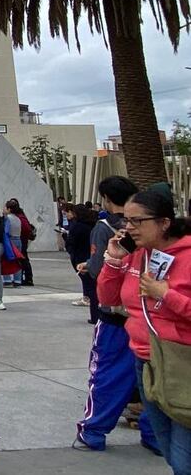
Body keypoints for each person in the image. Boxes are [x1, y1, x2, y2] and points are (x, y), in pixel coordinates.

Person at [96, 189, 190, 472]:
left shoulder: (186, 257)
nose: (129, 228)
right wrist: (113, 260)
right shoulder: (138, 256)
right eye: (126, 221)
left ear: (163, 223)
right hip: (145, 361)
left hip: (180, 362)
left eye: (138, 221)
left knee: (183, 455)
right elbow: (108, 298)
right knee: (166, 445)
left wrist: (166, 294)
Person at [75, 176, 159, 454]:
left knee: (107, 376)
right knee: (151, 380)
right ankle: (154, 433)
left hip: (116, 318)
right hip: (145, 321)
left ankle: (94, 430)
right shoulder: (162, 242)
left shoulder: (106, 229)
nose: (130, 227)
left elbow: (102, 274)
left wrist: (103, 263)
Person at [64, 204, 98, 320]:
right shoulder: (94, 225)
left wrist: (70, 249)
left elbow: (70, 243)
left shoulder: (76, 227)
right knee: (93, 284)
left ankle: (93, 312)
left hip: (80, 257)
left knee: (89, 285)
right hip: (92, 256)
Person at [2, 203, 24, 288]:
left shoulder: (8, 218)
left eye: (5, 208)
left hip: (10, 240)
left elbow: (6, 230)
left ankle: (7, 279)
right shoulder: (18, 219)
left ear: (9, 209)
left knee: (7, 259)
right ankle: (17, 280)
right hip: (18, 240)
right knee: (18, 261)